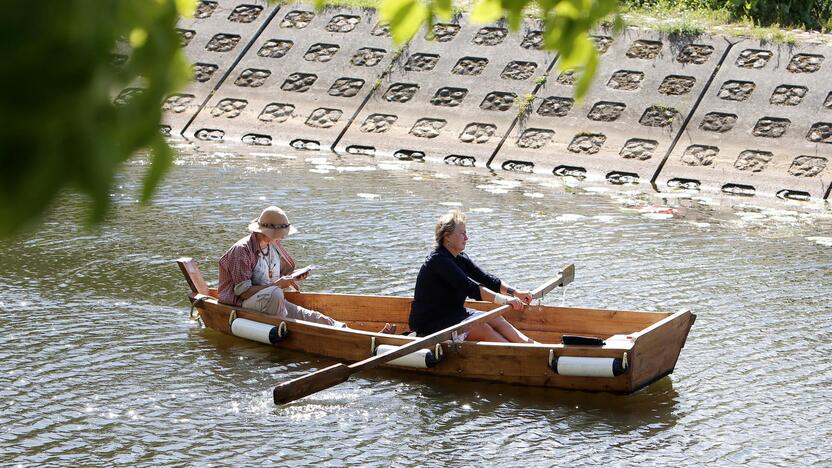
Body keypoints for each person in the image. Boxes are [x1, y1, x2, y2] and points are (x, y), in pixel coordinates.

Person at [219, 206, 395, 333]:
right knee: (276, 294)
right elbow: (242, 292)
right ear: (266, 231)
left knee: (314, 317)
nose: (282, 238)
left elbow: (270, 280)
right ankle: (292, 331)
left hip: (268, 299)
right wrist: (279, 286)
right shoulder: (242, 251)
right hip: (241, 303)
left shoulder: (273, 245)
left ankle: (356, 334)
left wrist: (291, 279)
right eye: (280, 234)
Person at [409, 209, 536, 343]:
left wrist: (516, 293)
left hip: (455, 314)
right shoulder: (438, 261)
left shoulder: (459, 258)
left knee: (496, 318)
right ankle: (525, 356)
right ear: (447, 236)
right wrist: (505, 301)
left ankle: (536, 348)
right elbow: (470, 288)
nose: (466, 238)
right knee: (483, 329)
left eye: (466, 233)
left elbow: (486, 278)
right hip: (431, 324)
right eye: (462, 233)